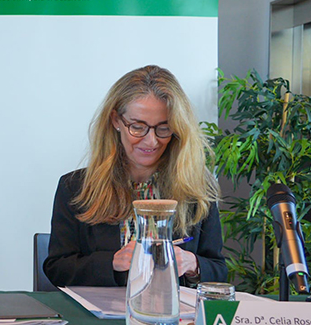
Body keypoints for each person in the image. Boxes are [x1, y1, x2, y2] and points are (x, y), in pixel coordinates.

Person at [44, 65, 227, 287]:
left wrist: (192, 263)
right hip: (100, 320)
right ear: (115, 121)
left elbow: (218, 271)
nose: (151, 141)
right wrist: (112, 262)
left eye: (164, 128)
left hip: (173, 317)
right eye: (138, 127)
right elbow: (57, 270)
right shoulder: (75, 188)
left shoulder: (198, 189)